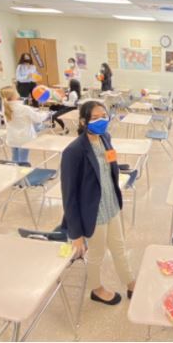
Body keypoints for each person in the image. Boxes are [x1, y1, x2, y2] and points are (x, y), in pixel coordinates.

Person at [60, 100, 136, 306]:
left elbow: (110, 165)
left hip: (111, 205)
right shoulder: (73, 152)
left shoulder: (105, 138)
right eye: (95, 118)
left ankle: (130, 283)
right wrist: (75, 235)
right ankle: (96, 288)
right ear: (83, 122)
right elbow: (69, 196)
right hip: (93, 212)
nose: (101, 121)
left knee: (119, 247)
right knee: (97, 254)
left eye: (104, 116)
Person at [0, 86, 50, 163]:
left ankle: (15, 173)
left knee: (14, 159)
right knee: (23, 161)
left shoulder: (5, 107)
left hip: (12, 137)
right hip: (24, 138)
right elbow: (38, 118)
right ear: (13, 95)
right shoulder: (24, 108)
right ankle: (23, 174)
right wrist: (46, 114)